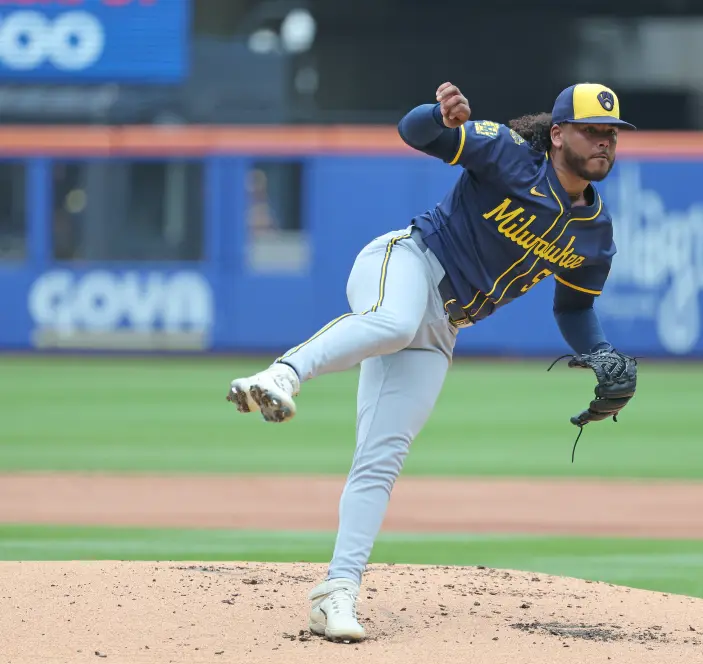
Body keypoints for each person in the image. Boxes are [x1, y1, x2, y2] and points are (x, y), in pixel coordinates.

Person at [225, 81, 639, 643]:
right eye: (593, 131)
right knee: (391, 321)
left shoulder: (596, 234)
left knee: (381, 458)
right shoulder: (510, 153)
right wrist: (439, 116)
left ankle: (336, 594)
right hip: (406, 261)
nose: (604, 143)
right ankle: (280, 374)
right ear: (560, 132)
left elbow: (574, 309)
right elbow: (416, 132)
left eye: (612, 134)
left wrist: (601, 354)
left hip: (444, 325)